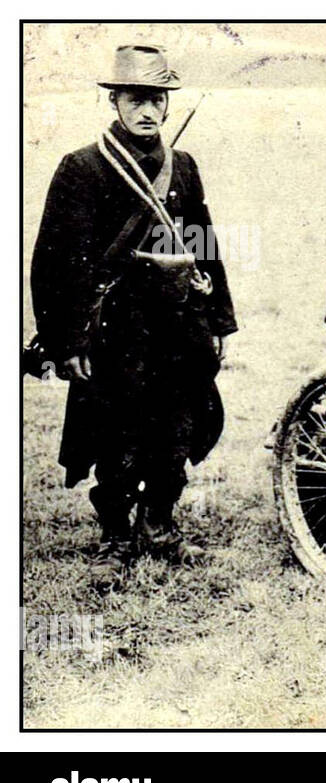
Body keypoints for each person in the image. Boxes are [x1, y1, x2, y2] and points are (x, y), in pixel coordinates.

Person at [29, 45, 238, 588]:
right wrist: (67, 342)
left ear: (167, 104)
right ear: (115, 102)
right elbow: (54, 261)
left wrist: (218, 319)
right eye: (135, 100)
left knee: (177, 428)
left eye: (156, 100)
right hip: (115, 329)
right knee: (116, 435)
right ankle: (116, 536)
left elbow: (203, 243)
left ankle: (160, 525)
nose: (147, 111)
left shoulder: (182, 166)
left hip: (179, 324)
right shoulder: (82, 166)